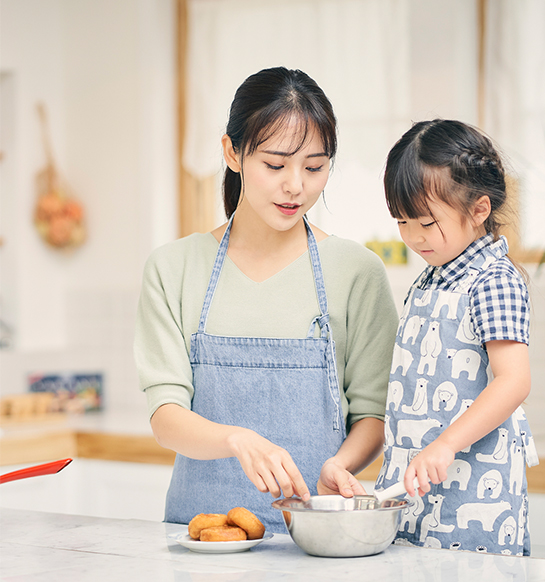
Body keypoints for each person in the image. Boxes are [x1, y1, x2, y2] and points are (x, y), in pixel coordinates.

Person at [134, 67, 398, 533]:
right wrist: (236, 439)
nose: (296, 185)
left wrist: (341, 464)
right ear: (231, 152)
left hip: (318, 538)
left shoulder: (358, 272)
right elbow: (166, 418)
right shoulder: (173, 268)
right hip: (201, 539)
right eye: (275, 165)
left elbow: (372, 415)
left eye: (314, 167)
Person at [375, 119, 538, 555]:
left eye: (426, 222)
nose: (413, 236)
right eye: (402, 221)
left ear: (479, 210)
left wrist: (445, 445)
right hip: (416, 487)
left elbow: (513, 381)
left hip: (472, 488)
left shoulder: (494, 280)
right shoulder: (431, 280)